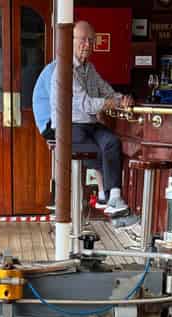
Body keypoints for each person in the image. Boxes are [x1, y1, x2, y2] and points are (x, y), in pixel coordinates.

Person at [30, 20, 133, 215]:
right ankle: (94, 196)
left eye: (91, 41)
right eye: (83, 40)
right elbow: (85, 103)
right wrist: (111, 103)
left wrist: (122, 99)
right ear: (71, 41)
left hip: (88, 123)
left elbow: (106, 91)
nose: (88, 44)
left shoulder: (89, 68)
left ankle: (113, 198)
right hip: (67, 125)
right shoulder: (63, 70)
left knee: (112, 143)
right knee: (96, 152)